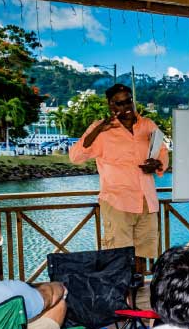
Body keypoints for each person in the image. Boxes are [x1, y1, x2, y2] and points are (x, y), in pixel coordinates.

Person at [69, 83, 169, 276]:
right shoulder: (101, 130)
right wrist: (99, 129)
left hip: (146, 201)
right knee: (119, 257)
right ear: (111, 106)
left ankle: (137, 288)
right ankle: (123, 293)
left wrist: (157, 164)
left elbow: (162, 152)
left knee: (143, 256)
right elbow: (75, 156)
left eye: (129, 101)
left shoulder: (147, 125)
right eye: (120, 103)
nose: (127, 107)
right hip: (117, 203)